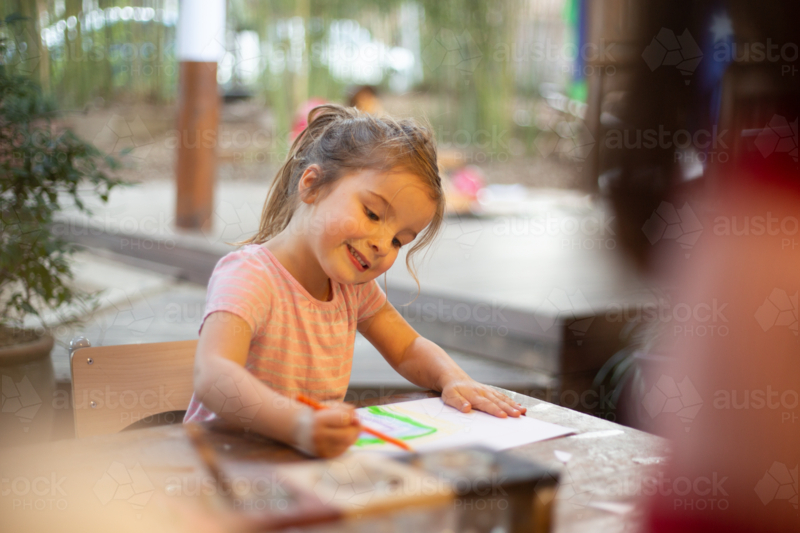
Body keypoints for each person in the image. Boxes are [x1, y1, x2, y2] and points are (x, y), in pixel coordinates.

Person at [184, 104, 526, 458]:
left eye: (399, 241)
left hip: (297, 462)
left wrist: (453, 378)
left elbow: (407, 348)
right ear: (312, 185)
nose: (382, 244)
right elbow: (214, 375)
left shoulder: (352, 289)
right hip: (219, 463)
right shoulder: (251, 275)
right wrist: (297, 424)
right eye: (373, 214)